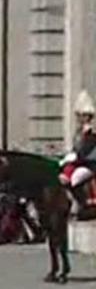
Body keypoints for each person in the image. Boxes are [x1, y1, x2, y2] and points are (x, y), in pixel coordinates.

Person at [60, 90, 96, 219]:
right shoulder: (79, 132)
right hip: (79, 161)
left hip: (90, 164)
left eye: (82, 116)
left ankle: (82, 205)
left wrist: (77, 156)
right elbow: (76, 148)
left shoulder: (91, 131)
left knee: (75, 179)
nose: (79, 119)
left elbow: (87, 149)